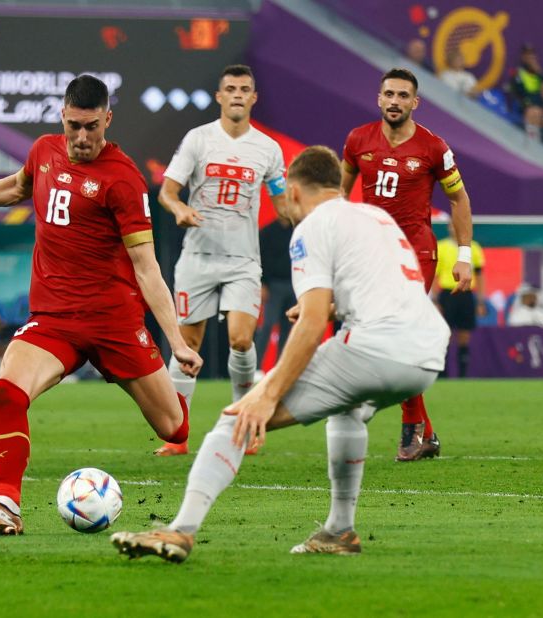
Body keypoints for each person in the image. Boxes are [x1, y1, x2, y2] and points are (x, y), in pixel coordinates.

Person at [110, 145, 450, 563]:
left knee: (238, 416)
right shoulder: (376, 216)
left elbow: (309, 328)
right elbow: (383, 288)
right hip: (428, 351)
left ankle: (180, 531)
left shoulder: (311, 227)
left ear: (291, 192)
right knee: (348, 409)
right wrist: (330, 306)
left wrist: (266, 396)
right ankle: (339, 531)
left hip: (376, 347)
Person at [0, 74, 202, 535]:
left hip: (113, 323)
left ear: (108, 119)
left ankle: (173, 389)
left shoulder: (123, 179)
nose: (82, 137)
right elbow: (15, 187)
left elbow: (147, 268)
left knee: (174, 429)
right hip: (54, 321)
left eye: (92, 126)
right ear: (62, 117)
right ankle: (6, 504)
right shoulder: (44, 151)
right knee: (8, 390)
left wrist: (177, 343)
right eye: (74, 125)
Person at [341, 67, 474, 462]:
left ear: (415, 102)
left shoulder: (433, 147)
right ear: (379, 98)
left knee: (397, 331)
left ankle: (412, 429)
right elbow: (338, 189)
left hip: (416, 251)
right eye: (389, 94)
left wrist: (464, 256)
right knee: (380, 334)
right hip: (371, 250)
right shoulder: (357, 140)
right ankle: (425, 433)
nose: (395, 101)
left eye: (403, 95)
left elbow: (459, 200)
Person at [152, 64, 286, 457]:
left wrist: (306, 214)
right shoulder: (198, 140)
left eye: (245, 89)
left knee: (241, 340)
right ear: (219, 96)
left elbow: (282, 203)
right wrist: (178, 209)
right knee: (188, 347)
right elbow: (168, 192)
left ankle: (246, 425)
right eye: (231, 89)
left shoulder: (267, 149)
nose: (238, 95)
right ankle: (177, 437)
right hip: (197, 257)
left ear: (254, 97)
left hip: (243, 260)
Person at [434, 222, 486, 378]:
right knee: (445, 335)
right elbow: (435, 275)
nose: (453, 228)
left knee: (464, 336)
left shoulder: (474, 247)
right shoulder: (441, 246)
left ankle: (463, 376)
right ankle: (443, 375)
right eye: (451, 225)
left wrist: (481, 301)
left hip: (466, 294)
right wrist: (435, 301)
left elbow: (480, 274)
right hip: (447, 294)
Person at [254, 216, 296, 365]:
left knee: (288, 328)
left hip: (294, 285)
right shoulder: (267, 231)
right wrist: (262, 283)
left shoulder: (297, 230)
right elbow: (259, 259)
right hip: (273, 286)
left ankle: (281, 367)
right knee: (267, 325)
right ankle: (256, 367)